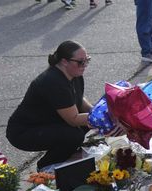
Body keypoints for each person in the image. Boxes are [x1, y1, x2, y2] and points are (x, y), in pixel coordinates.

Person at [7, 41, 92, 172]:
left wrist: (95, 110)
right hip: (24, 131)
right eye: (81, 62)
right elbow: (73, 119)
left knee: (84, 125)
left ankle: (67, 156)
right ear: (64, 62)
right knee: (74, 135)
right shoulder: (53, 82)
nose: (85, 65)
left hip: (47, 123)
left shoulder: (74, 74)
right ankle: (47, 167)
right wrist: (101, 116)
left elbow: (79, 99)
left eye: (87, 60)